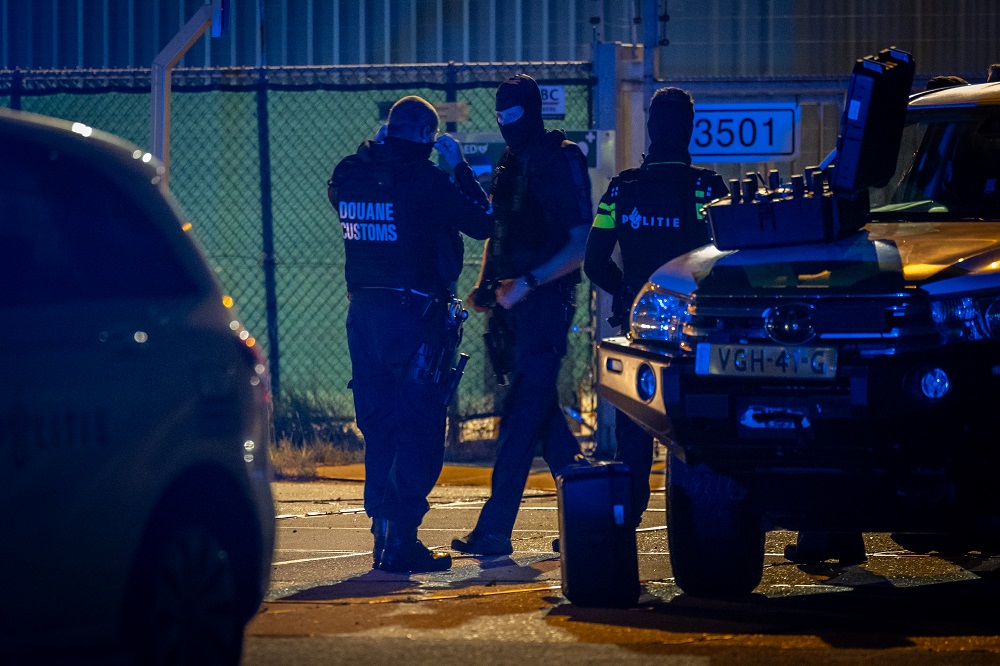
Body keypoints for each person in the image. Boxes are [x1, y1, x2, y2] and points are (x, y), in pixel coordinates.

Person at [328, 95, 492, 573]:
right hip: (415, 321)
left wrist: (375, 148)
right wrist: (459, 166)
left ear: (386, 132)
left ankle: (382, 530)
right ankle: (400, 538)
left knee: (378, 425)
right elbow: (483, 222)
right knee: (419, 428)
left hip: (364, 319)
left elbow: (339, 192)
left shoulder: (350, 174)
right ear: (425, 137)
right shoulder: (428, 181)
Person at [451, 74, 592, 556]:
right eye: (499, 115)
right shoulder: (514, 159)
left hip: (543, 306)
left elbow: (581, 244)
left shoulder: (561, 159)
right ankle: (589, 515)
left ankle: (494, 530)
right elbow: (500, 224)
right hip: (513, 307)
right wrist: (486, 284)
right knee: (541, 417)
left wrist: (527, 284)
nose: (505, 123)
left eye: (512, 114)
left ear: (532, 111)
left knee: (519, 415)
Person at [583, 87, 728, 527]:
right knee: (699, 429)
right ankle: (704, 526)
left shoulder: (621, 190)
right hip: (694, 330)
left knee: (634, 431)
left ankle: (620, 527)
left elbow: (593, 261)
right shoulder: (709, 189)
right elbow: (728, 258)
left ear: (651, 127)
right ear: (689, 129)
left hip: (638, 326)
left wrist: (628, 291)